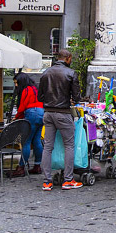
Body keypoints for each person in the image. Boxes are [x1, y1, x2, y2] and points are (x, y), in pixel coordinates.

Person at [38, 49, 82, 191]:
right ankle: (68, 179)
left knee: (48, 147)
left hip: (48, 113)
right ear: (68, 58)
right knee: (69, 145)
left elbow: (40, 97)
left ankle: (47, 181)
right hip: (63, 113)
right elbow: (77, 98)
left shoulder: (46, 73)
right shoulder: (70, 73)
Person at [11, 71, 44, 177]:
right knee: (37, 140)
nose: (16, 85)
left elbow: (22, 107)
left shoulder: (26, 90)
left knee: (26, 141)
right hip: (41, 113)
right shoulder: (36, 88)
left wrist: (16, 118)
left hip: (32, 113)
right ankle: (37, 166)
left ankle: (21, 167)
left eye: (17, 82)